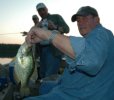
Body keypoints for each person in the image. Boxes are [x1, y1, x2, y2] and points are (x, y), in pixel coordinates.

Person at [24, 6, 114, 100]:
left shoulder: (101, 33)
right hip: (74, 86)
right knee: (44, 86)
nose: (80, 23)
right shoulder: (92, 39)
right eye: (78, 21)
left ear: (97, 19)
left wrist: (48, 34)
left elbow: (92, 60)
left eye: (85, 18)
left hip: (79, 94)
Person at [36, 3, 70, 78]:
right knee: (42, 74)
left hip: (53, 50)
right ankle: (45, 88)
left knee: (50, 76)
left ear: (47, 9)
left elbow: (67, 29)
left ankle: (50, 89)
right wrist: (36, 28)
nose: (42, 12)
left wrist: (55, 27)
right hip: (42, 51)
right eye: (39, 11)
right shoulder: (39, 23)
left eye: (43, 9)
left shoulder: (56, 17)